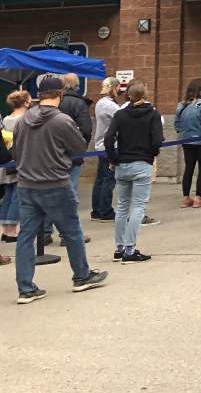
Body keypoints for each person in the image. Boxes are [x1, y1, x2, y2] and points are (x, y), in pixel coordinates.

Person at [13, 75, 107, 302]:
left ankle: (25, 289)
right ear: (61, 94)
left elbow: (16, 153)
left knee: (25, 236)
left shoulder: (22, 121)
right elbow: (79, 148)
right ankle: (81, 276)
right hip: (55, 183)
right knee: (72, 231)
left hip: (26, 185)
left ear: (38, 95)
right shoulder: (62, 120)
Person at [104, 80, 161, 265]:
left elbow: (108, 137)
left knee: (122, 206)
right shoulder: (152, 114)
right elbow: (157, 140)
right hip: (142, 162)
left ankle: (119, 248)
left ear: (128, 95)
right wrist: (151, 154)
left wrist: (113, 158)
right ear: (145, 95)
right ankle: (130, 249)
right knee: (138, 207)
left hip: (123, 163)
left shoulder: (120, 115)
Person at [56, 73, 93, 241]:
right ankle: (68, 234)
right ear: (77, 86)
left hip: (53, 156)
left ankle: (46, 234)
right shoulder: (79, 103)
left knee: (52, 192)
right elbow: (86, 130)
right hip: (72, 156)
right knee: (70, 195)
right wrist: (80, 148)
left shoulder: (55, 102)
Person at [174, 78, 201, 209]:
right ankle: (198, 198)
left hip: (187, 140)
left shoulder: (182, 104)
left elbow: (177, 125)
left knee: (189, 168)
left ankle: (185, 198)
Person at [0, 90, 32, 248]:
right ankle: (12, 230)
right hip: (20, 160)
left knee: (9, 194)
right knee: (17, 195)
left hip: (7, 160)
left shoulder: (7, 119)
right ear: (25, 102)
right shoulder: (25, 119)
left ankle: (5, 229)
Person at [90, 77, 122, 220]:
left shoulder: (100, 103)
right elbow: (122, 118)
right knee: (108, 179)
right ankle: (105, 211)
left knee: (101, 179)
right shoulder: (110, 105)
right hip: (110, 146)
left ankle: (97, 210)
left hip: (101, 145)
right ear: (113, 88)